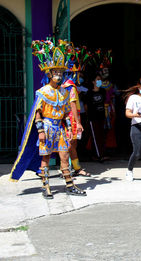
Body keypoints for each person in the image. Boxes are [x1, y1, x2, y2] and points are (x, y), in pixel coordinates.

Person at [10, 39, 86, 198]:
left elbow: (66, 112)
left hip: (59, 128)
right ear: (50, 74)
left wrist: (69, 128)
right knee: (45, 158)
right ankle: (46, 187)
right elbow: (37, 113)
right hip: (47, 127)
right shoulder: (42, 92)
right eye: (56, 72)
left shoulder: (64, 92)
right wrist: (40, 132)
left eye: (60, 72)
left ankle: (70, 185)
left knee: (64, 156)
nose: (59, 75)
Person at [83, 73, 107, 162]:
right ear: (93, 82)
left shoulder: (103, 91)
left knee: (101, 136)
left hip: (101, 116)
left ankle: (100, 153)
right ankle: (98, 155)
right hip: (93, 117)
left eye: (100, 79)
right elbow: (86, 106)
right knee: (95, 136)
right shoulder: (89, 93)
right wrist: (88, 116)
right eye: (97, 79)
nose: (99, 81)